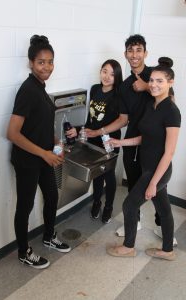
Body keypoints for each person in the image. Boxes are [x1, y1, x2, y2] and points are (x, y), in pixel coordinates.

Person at [107, 57, 181, 261]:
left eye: (160, 81)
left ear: (170, 83)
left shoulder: (172, 112)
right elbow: (144, 138)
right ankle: (168, 251)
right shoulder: (152, 106)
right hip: (148, 166)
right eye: (152, 80)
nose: (154, 85)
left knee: (129, 206)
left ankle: (128, 247)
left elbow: (169, 152)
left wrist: (154, 182)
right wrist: (120, 143)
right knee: (164, 209)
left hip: (157, 170)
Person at [7, 35, 71, 269]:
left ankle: (48, 236)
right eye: (41, 62)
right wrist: (44, 154)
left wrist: (56, 142)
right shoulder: (27, 90)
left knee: (52, 196)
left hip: (44, 156)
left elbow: (39, 125)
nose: (47, 67)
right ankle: (24, 251)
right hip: (27, 160)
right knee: (25, 206)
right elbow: (13, 133)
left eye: (50, 61)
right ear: (31, 63)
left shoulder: (41, 88)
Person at [66, 59, 122, 223]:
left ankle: (109, 207)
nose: (107, 76)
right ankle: (97, 202)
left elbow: (120, 120)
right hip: (93, 141)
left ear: (117, 77)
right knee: (97, 175)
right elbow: (91, 122)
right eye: (104, 71)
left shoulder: (119, 95)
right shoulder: (95, 89)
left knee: (109, 175)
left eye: (112, 74)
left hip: (110, 141)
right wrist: (78, 129)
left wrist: (99, 132)